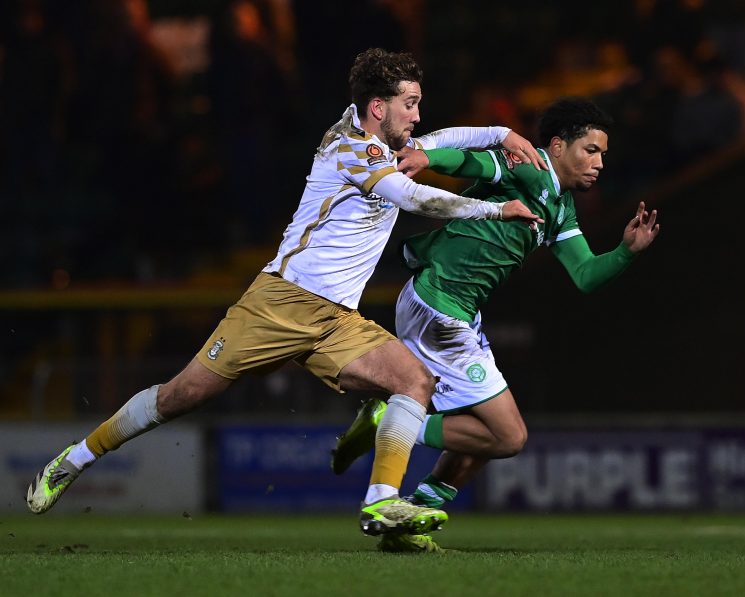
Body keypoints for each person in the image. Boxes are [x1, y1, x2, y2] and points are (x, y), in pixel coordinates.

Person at [26, 48, 546, 538]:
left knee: (415, 380)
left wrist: (500, 133)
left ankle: (383, 502)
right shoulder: (352, 149)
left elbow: (439, 140)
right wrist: (495, 209)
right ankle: (73, 461)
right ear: (378, 107)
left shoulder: (381, 138)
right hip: (280, 303)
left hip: (337, 320)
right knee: (178, 397)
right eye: (410, 105)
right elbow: (412, 197)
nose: (416, 116)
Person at [330, 97, 660, 552]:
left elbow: (584, 275)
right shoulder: (529, 166)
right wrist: (426, 158)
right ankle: (391, 418)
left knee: (482, 436)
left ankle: (409, 522)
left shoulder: (560, 208)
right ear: (559, 146)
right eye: (591, 150)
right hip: (439, 304)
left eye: (603, 153)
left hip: (460, 312)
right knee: (508, 436)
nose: (599, 162)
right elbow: (473, 163)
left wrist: (626, 252)